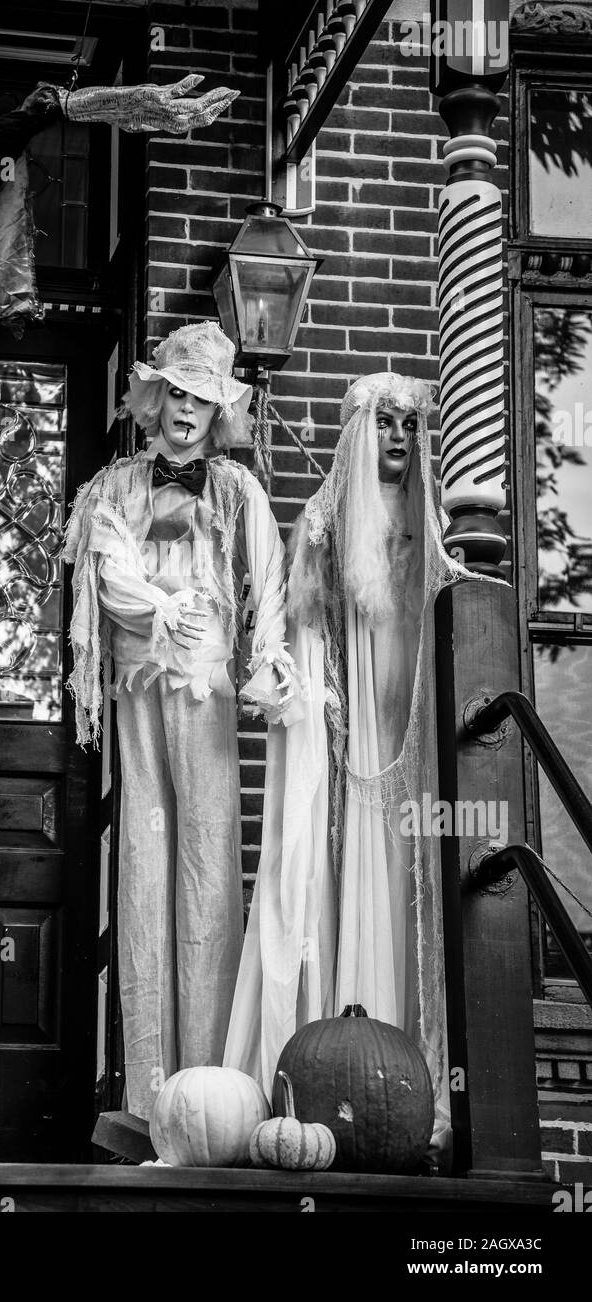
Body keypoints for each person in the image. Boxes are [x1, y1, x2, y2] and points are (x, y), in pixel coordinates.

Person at [223, 371, 473, 1158]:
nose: (398, 438)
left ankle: (416, 1093)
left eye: (409, 425)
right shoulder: (324, 524)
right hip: (352, 741)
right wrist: (324, 707)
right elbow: (304, 638)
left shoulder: (431, 526)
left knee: (415, 886)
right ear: (360, 430)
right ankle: (339, 1092)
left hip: (415, 742)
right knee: (350, 876)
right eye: (385, 423)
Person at [62, 320, 299, 1120]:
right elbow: (110, 574)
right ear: (153, 398)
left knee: (205, 861)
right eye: (174, 393)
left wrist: (269, 659)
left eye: (201, 398)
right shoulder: (114, 487)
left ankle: (208, 1094)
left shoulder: (237, 490)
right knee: (143, 861)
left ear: (218, 411)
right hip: (139, 684)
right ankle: (146, 1096)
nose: (185, 410)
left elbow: (268, 582)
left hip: (205, 691)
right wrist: (165, 606)